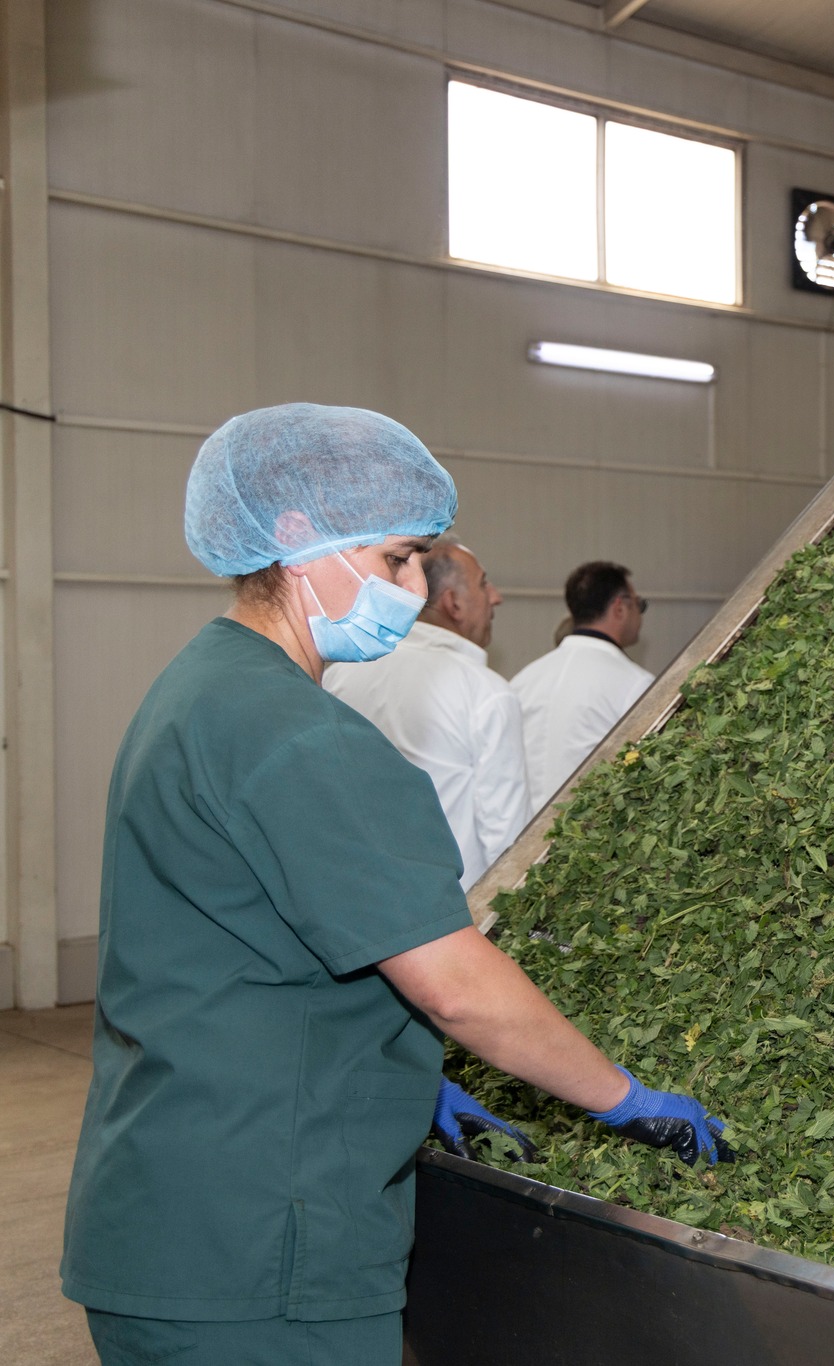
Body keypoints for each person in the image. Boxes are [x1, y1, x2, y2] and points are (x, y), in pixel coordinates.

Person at [63, 404, 723, 1366]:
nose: (415, 590)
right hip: (264, 1246)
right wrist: (623, 1097)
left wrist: (396, 1074)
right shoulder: (300, 736)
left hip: (167, 1201)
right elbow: (457, 986)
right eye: (397, 558)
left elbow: (248, 941)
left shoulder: (199, 688)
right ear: (299, 541)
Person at [325, 538, 529, 890]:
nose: (496, 597)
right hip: (457, 908)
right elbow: (509, 845)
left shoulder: (341, 674)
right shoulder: (485, 692)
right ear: (454, 604)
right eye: (483, 583)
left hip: (360, 898)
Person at [511, 560, 656, 809]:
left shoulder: (524, 679)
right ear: (620, 607)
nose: (640, 616)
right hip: (587, 828)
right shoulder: (635, 684)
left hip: (524, 829)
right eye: (639, 605)